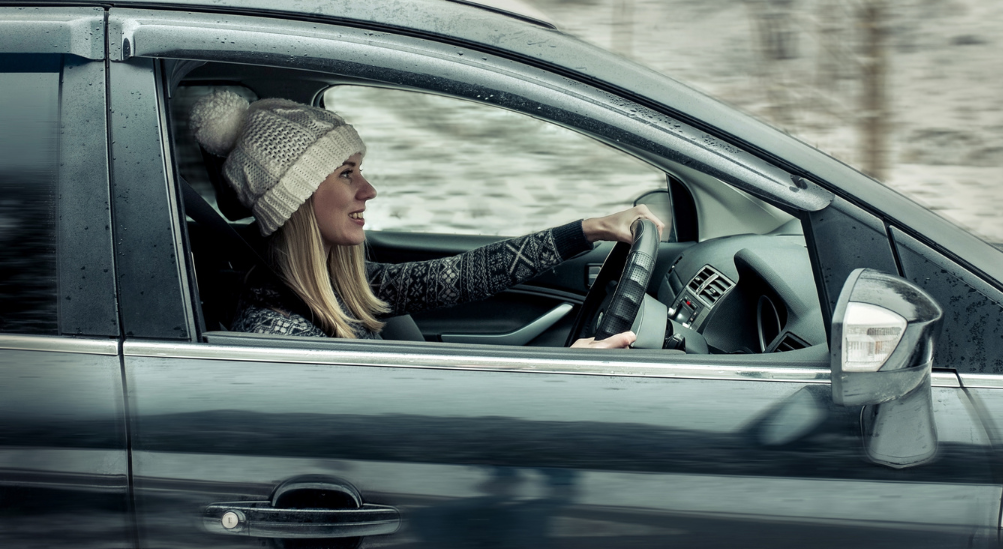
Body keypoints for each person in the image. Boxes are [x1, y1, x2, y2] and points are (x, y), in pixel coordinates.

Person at [189, 91, 664, 349]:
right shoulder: (281, 336)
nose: (369, 190)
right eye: (347, 173)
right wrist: (563, 378)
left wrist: (588, 229)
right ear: (296, 201)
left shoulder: (332, 287)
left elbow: (457, 278)